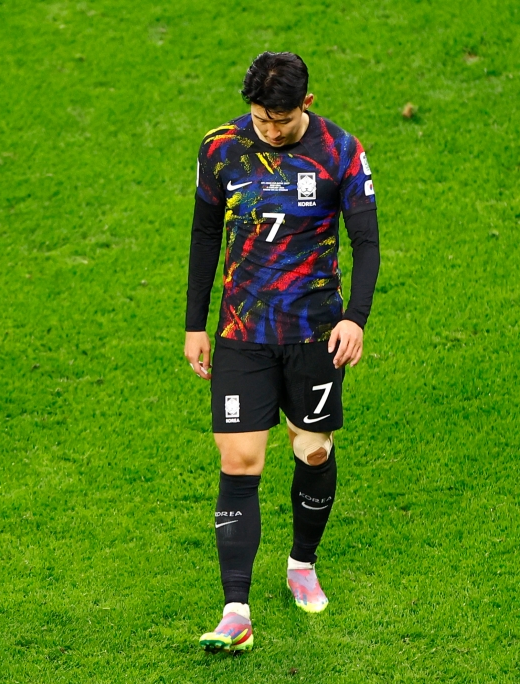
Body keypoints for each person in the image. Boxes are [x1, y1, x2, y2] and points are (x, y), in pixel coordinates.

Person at [184, 51, 381, 653]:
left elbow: (367, 241)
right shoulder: (220, 149)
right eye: (261, 119)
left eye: (282, 120)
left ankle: (301, 562)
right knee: (240, 461)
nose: (269, 131)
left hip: (315, 334)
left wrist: (355, 319)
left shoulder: (340, 152)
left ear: (307, 105)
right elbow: (203, 233)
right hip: (242, 333)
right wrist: (195, 324)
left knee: (312, 449)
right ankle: (235, 610)